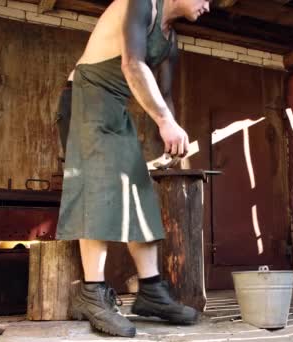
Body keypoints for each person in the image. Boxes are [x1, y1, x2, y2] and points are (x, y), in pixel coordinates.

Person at [55, 0, 212, 337]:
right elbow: (132, 64)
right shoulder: (142, 3)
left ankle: (151, 291)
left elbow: (165, 93)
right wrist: (165, 121)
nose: (207, 6)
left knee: (140, 190)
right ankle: (92, 294)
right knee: (99, 188)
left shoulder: (170, 40)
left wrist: (171, 138)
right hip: (85, 97)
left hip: (115, 109)